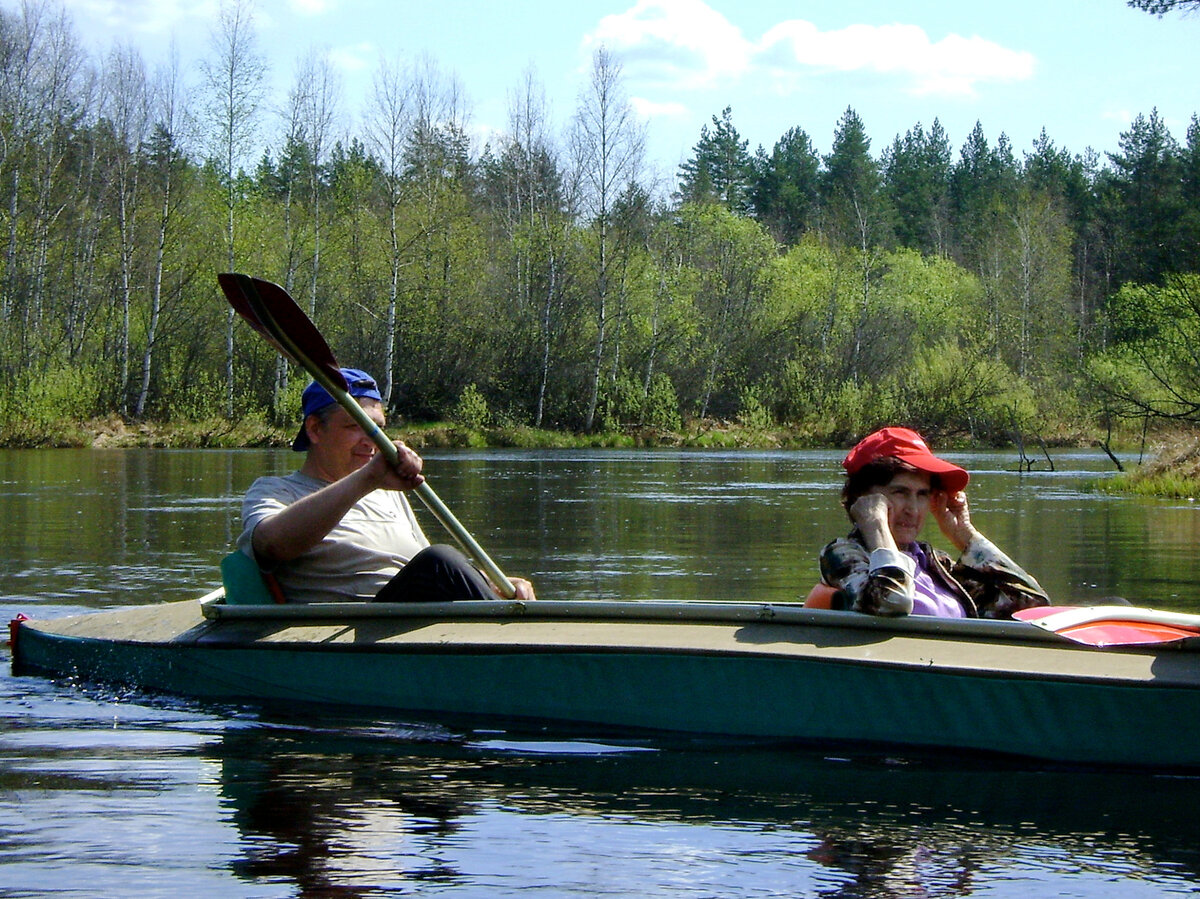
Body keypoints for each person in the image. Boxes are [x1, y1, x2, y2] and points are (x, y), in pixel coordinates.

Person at [237, 367, 535, 604]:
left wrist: (491, 583)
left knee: (442, 563)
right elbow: (270, 545)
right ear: (315, 429)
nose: (372, 441)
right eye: (356, 426)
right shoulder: (274, 491)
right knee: (439, 560)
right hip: (350, 635)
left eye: (378, 429)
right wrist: (367, 479)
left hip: (412, 626)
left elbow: (423, 571)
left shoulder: (388, 495)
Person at [817, 426, 1048, 618]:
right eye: (900, 492)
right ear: (863, 498)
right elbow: (892, 601)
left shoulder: (935, 565)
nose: (912, 509)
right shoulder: (843, 556)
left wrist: (965, 536)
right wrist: (876, 526)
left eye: (922, 494)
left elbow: (1032, 606)